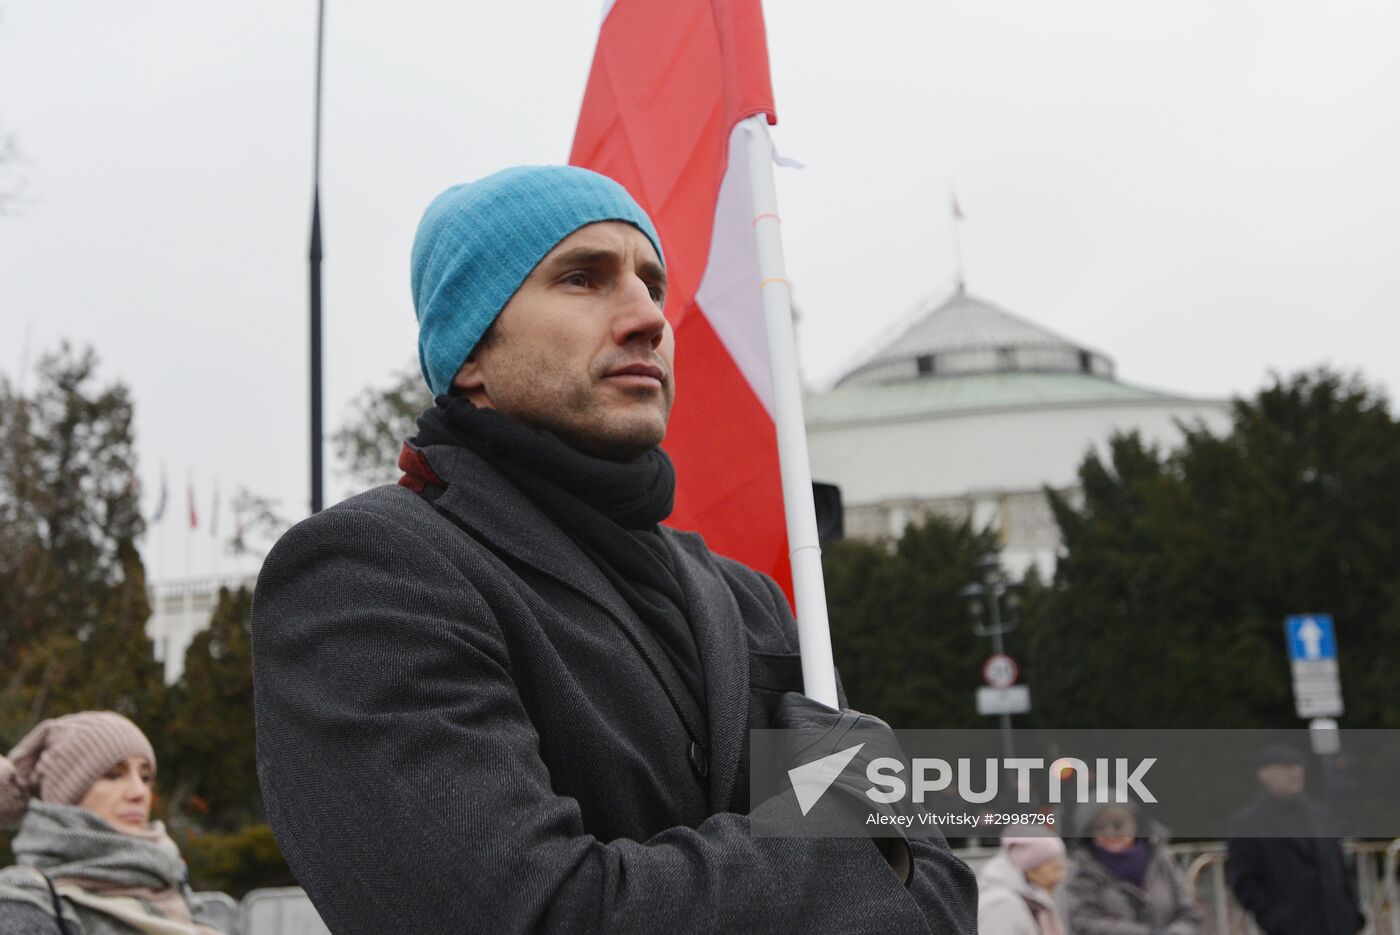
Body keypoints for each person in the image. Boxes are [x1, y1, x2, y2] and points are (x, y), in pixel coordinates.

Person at [251, 165, 978, 934]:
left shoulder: (745, 598)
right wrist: (842, 838)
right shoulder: (369, 575)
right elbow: (531, 914)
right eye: (582, 278)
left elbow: (938, 891)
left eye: (652, 284)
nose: (648, 319)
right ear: (469, 351)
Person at [0, 711, 226, 935]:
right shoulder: (25, 898)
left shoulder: (172, 883)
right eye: (114, 775)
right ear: (63, 795)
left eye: (145, 777)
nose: (139, 792)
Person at [1225, 743, 1364, 935]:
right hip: (1291, 927)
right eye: (1286, 768)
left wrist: (1351, 912)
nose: (1295, 773)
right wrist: (1273, 917)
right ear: (1264, 774)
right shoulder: (1247, 823)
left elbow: (1342, 868)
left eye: (1298, 767)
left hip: (1337, 924)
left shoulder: (1321, 816)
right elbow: (1243, 879)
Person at [1062, 802, 1202, 934]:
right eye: (1100, 828)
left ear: (1136, 825)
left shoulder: (1160, 859)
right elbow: (1083, 921)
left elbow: (1189, 912)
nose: (1110, 833)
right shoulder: (1082, 871)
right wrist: (1144, 933)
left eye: (1118, 826)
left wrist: (1176, 932)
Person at [977, 833, 1066, 935]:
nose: (1061, 876)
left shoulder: (1034, 903)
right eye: (1055, 869)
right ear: (1032, 869)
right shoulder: (1002, 904)